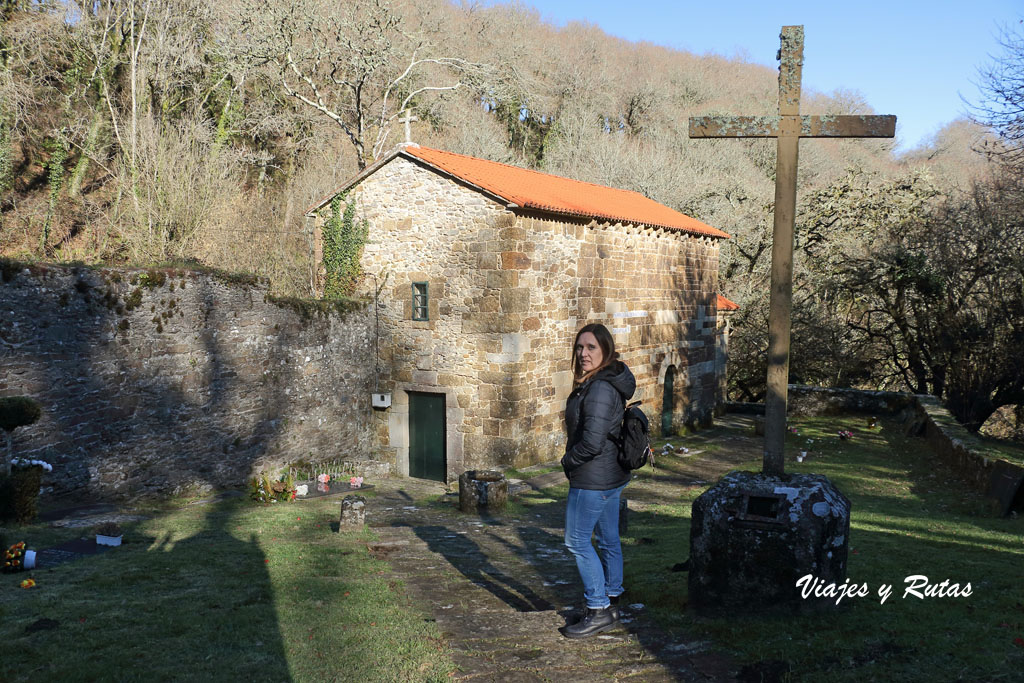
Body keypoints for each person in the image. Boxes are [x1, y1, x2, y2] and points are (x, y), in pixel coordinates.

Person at [559, 322, 635, 638]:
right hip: (609, 476)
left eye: (591, 347)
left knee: (576, 541)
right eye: (579, 347)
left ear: (605, 350)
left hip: (592, 478)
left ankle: (599, 608)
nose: (583, 353)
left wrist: (567, 462)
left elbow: (591, 441)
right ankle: (612, 595)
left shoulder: (601, 388)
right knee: (607, 538)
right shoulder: (601, 381)